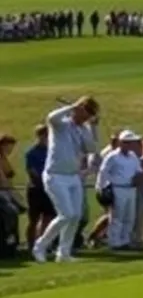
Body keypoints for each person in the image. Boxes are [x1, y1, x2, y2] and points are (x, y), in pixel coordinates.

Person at [33, 95, 99, 264]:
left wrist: (91, 127)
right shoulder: (61, 123)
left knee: (75, 215)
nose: (87, 116)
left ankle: (63, 253)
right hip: (55, 175)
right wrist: (72, 107)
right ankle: (40, 246)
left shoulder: (82, 129)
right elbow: (51, 117)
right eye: (87, 112)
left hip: (73, 176)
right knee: (66, 214)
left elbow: (91, 148)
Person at [96, 130, 143, 251]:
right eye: (128, 142)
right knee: (117, 217)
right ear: (121, 143)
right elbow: (103, 172)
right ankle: (115, 242)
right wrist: (101, 188)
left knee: (129, 216)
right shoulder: (112, 156)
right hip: (118, 188)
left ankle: (125, 240)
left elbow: (139, 171)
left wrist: (139, 178)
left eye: (131, 142)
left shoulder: (133, 156)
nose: (131, 145)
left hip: (131, 188)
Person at [24, 125, 53, 254]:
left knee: (48, 217)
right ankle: (30, 245)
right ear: (40, 136)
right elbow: (32, 171)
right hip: (36, 189)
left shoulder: (52, 151)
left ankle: (42, 244)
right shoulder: (32, 153)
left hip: (50, 188)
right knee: (33, 219)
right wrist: (43, 180)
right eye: (45, 135)